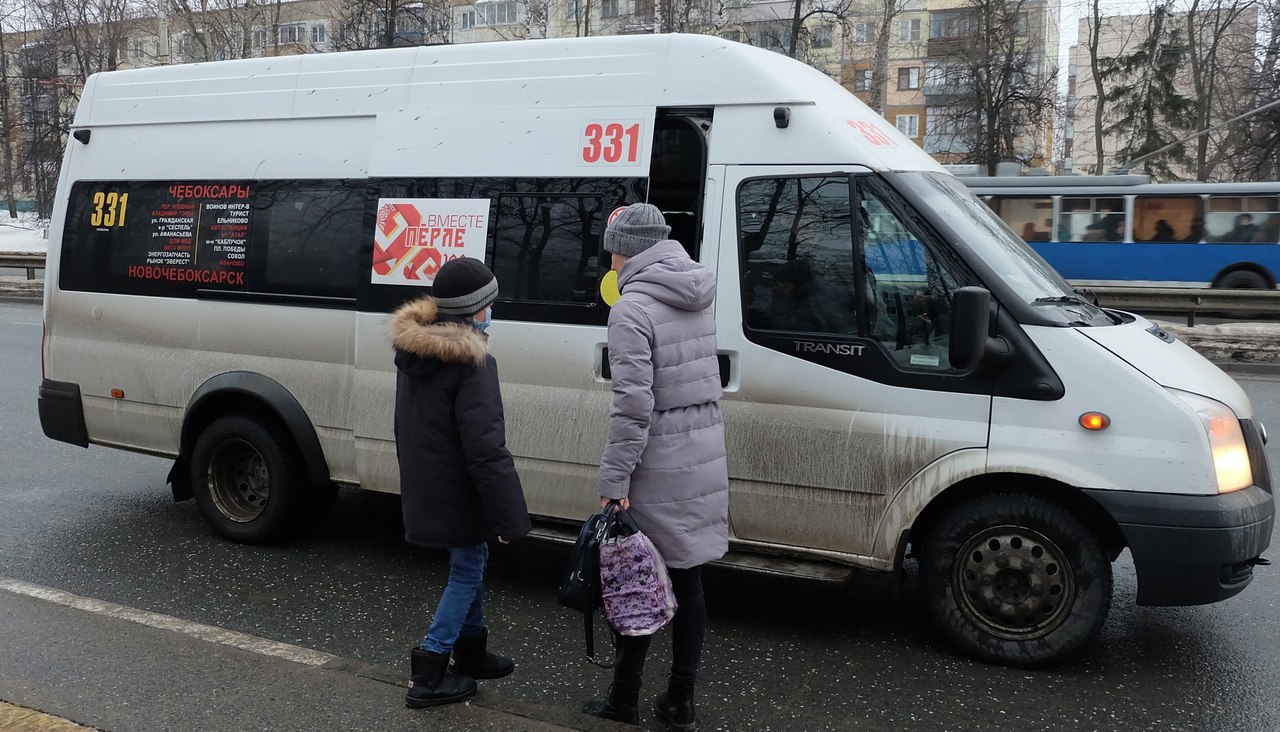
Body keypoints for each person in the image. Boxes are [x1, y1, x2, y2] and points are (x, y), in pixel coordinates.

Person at [583, 203, 729, 730]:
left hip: (656, 459)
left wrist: (614, 479)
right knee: (688, 583)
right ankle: (679, 702)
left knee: (633, 579)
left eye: (614, 248)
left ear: (630, 248)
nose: (611, 259)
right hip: (702, 450)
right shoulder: (696, 293)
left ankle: (624, 700)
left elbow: (633, 406)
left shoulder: (631, 309)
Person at [390, 256, 532, 709]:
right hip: (458, 484)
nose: (494, 312)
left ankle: (471, 654)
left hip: (431, 478)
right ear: (477, 310)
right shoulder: (473, 363)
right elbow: (486, 449)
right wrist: (512, 517)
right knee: (468, 567)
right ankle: (429, 670)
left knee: (472, 557)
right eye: (491, 304)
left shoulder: (418, 352)